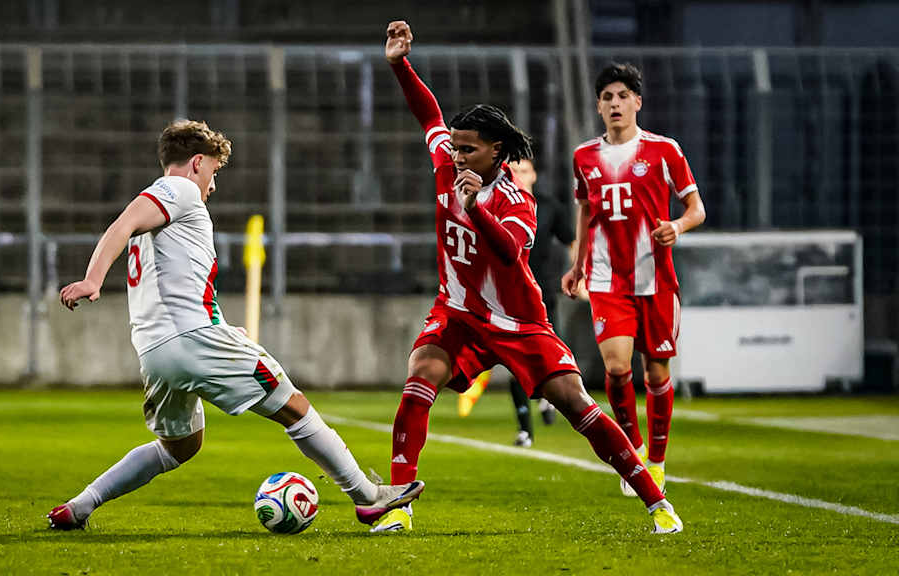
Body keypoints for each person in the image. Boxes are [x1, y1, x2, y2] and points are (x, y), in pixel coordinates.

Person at [378, 21, 682, 534]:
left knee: (574, 402)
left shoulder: (517, 201)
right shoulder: (444, 161)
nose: (456, 156)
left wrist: (475, 210)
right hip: (457, 312)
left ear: (497, 154)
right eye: (454, 147)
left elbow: (508, 250)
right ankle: (397, 507)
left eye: (468, 150)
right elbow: (427, 113)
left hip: (519, 323)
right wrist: (399, 64)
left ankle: (656, 501)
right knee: (419, 374)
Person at [47, 119, 423, 531]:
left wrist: (224, 329)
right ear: (195, 163)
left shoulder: (165, 216)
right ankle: (368, 499)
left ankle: (79, 506)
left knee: (179, 447)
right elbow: (123, 222)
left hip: (156, 351)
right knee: (295, 407)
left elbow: (176, 283)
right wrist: (92, 279)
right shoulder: (180, 189)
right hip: (192, 340)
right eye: (213, 171)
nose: (213, 184)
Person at [561, 62, 706, 498]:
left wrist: (676, 228)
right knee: (617, 367)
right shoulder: (584, 156)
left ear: (637, 103)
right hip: (608, 279)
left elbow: (696, 209)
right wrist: (578, 264)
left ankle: (657, 461)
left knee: (656, 370)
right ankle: (633, 452)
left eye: (623, 95)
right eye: (607, 97)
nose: (615, 104)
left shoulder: (664, 150)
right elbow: (585, 210)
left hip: (655, 277)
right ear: (599, 107)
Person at [456, 157, 568, 448]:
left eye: (524, 170)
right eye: (514, 170)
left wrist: (576, 272)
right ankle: (525, 430)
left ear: (534, 175)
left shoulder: (550, 206)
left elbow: (571, 239)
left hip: (543, 293)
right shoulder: (497, 201)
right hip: (507, 296)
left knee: (547, 359)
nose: (518, 175)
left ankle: (546, 400)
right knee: (514, 362)